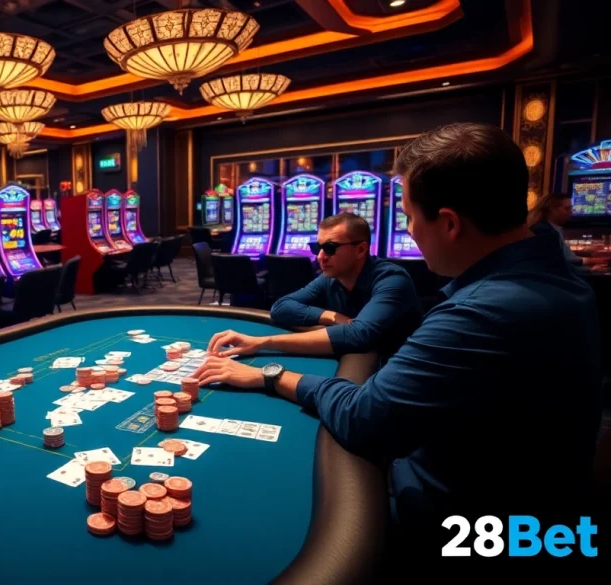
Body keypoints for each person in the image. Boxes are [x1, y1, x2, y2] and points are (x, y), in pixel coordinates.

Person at [195, 123, 602, 574]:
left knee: (265, 513)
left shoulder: (484, 309)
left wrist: (271, 375)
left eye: (408, 216)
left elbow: (365, 417)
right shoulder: (557, 272)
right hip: (510, 490)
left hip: (466, 529)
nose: (408, 231)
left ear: (449, 223)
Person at [249, 212, 422, 359]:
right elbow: (280, 308)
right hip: (362, 364)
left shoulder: (392, 279)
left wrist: (264, 342)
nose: (320, 257)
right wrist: (331, 316)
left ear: (361, 250)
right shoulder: (330, 278)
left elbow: (359, 334)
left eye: (330, 248)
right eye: (317, 248)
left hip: (402, 372)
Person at [528, 191, 602, 273]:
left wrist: (591, 262)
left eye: (571, 208)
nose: (571, 212)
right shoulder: (544, 231)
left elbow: (566, 259)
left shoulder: (551, 228)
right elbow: (558, 265)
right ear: (552, 210)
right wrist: (590, 271)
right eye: (567, 209)